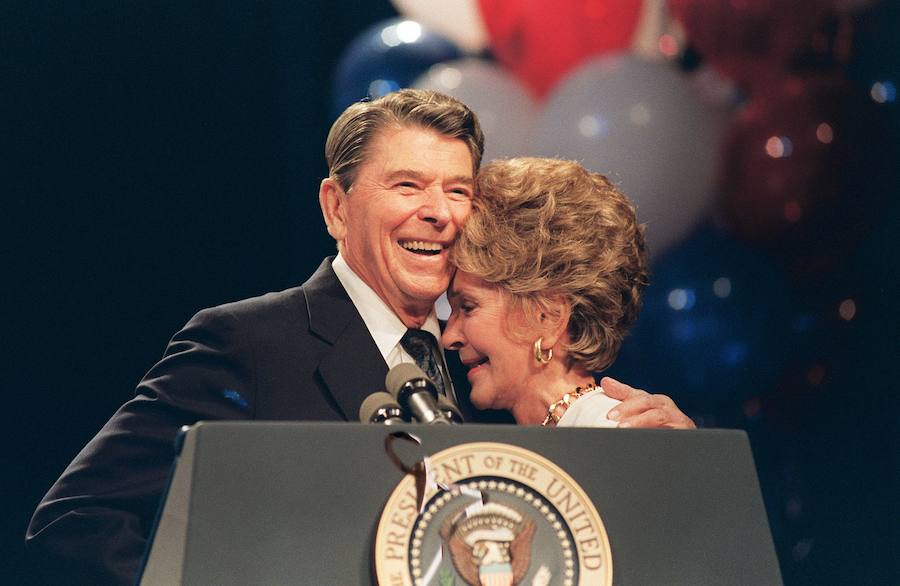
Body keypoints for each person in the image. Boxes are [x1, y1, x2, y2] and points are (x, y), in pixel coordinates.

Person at [26, 91, 691, 585]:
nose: (438, 211)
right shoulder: (249, 345)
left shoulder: (483, 374)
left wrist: (684, 466)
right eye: (408, 185)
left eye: (458, 190)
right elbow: (74, 524)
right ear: (336, 207)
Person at [443, 157, 696, 429]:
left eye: (467, 307)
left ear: (548, 317)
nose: (448, 338)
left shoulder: (618, 431)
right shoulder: (560, 430)